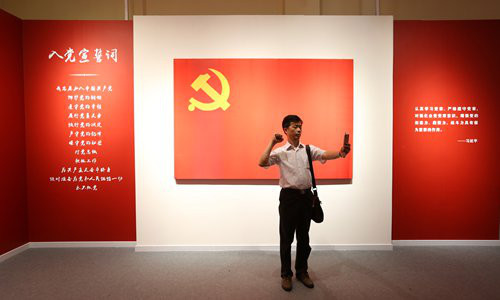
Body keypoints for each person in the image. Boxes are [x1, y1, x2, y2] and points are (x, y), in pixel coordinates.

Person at [258, 114, 351, 292]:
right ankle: (286, 274)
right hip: (288, 198)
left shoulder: (308, 150)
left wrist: (340, 153)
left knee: (304, 237)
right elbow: (262, 162)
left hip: (306, 198)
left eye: (300, 126)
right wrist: (272, 142)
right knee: (286, 239)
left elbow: (325, 154)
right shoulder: (280, 152)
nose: (299, 129)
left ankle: (302, 271)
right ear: (286, 130)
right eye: (294, 126)